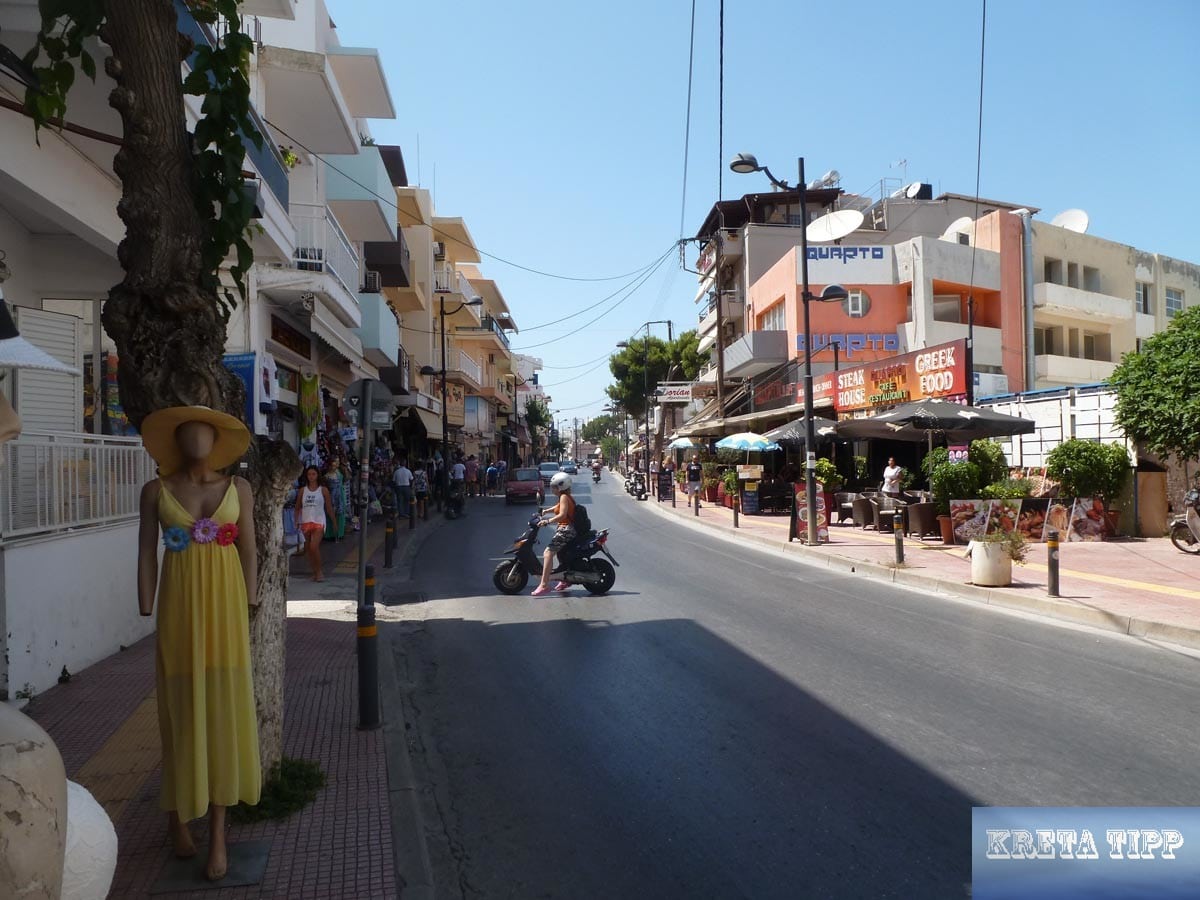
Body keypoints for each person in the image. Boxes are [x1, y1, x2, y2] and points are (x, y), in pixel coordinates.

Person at [136, 406, 261, 881]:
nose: (197, 441)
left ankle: (219, 835)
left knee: (223, 713)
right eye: (188, 434)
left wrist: (251, 598)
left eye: (204, 433)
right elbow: (145, 551)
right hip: (179, 611)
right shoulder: (156, 491)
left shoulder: (239, 488)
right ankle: (177, 816)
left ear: (217, 440)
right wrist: (145, 601)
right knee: (181, 712)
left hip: (226, 612)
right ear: (175, 442)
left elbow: (249, 548)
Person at [531, 471, 577, 596]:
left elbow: (562, 515)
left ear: (561, 487)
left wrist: (547, 521)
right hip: (566, 528)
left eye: (554, 487)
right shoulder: (565, 496)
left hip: (566, 530)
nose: (552, 489)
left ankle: (544, 585)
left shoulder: (564, 497)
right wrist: (546, 511)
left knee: (548, 553)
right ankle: (565, 580)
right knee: (561, 554)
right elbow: (557, 508)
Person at [295, 465, 336, 581]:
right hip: (306, 521)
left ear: (318, 475)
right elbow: (297, 507)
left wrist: (334, 522)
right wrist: (296, 521)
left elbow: (329, 508)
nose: (311, 477)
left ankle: (319, 572)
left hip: (319, 521)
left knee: (314, 547)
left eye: (313, 474)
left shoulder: (323, 490)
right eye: (309, 474)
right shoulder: (302, 490)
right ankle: (314, 571)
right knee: (308, 549)